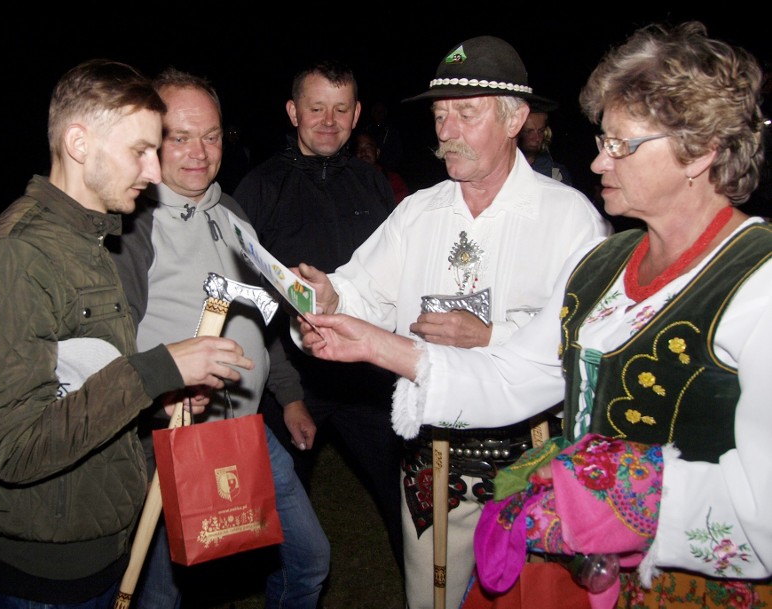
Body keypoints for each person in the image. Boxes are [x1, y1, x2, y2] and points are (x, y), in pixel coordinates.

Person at [299, 22, 772, 609]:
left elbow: (764, 516)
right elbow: (516, 376)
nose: (598, 161)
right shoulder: (609, 265)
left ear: (700, 150)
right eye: (604, 140)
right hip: (583, 566)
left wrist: (607, 493)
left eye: (622, 144)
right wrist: (371, 342)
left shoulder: (758, 283)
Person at [288, 36, 613, 609]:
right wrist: (326, 299)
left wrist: (491, 336)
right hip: (431, 463)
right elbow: (364, 290)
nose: (445, 130)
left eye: (466, 112)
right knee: (430, 598)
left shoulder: (568, 218)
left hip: (531, 467)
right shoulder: (419, 212)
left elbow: (585, 343)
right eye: (440, 115)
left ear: (515, 119)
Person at [0, 59, 256, 609]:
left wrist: (163, 396)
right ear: (80, 143)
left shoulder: (91, 244)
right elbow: (14, 448)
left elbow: (83, 385)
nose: (155, 171)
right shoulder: (16, 259)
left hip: (104, 552)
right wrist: (159, 368)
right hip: (45, 580)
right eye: (140, 151)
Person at [108, 67, 329, 609]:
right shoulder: (132, 225)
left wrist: (291, 394)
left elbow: (256, 315)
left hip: (247, 430)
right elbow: (108, 344)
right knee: (161, 593)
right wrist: (158, 396)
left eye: (210, 136)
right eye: (179, 137)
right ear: (150, 141)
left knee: (309, 559)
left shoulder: (231, 213)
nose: (199, 153)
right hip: (171, 440)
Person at [232, 59, 404, 574]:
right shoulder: (259, 188)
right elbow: (243, 296)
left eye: (341, 109)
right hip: (295, 384)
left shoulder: (374, 186)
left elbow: (395, 280)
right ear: (293, 112)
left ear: (355, 118)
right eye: (315, 108)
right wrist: (282, 392)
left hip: (370, 383)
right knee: (280, 522)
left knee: (405, 507)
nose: (328, 121)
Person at [518, 106, 574, 186]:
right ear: (515, 130)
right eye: (528, 131)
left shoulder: (557, 174)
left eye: (541, 131)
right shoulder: (501, 170)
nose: (536, 138)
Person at [354, 130, 410, 203]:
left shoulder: (392, 179)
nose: (363, 152)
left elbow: (403, 204)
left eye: (368, 147)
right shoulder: (348, 180)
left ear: (377, 152)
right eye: (359, 149)